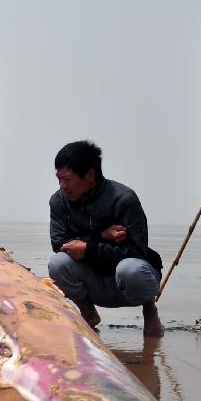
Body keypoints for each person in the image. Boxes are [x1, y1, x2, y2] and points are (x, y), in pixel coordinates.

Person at [47, 141, 164, 337]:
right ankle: (88, 312)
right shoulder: (59, 201)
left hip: (131, 283)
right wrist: (100, 237)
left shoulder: (124, 199)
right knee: (57, 263)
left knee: (131, 269)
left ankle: (150, 310)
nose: (62, 186)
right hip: (93, 281)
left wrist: (89, 248)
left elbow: (138, 251)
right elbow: (59, 243)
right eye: (59, 179)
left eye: (67, 179)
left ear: (90, 175)